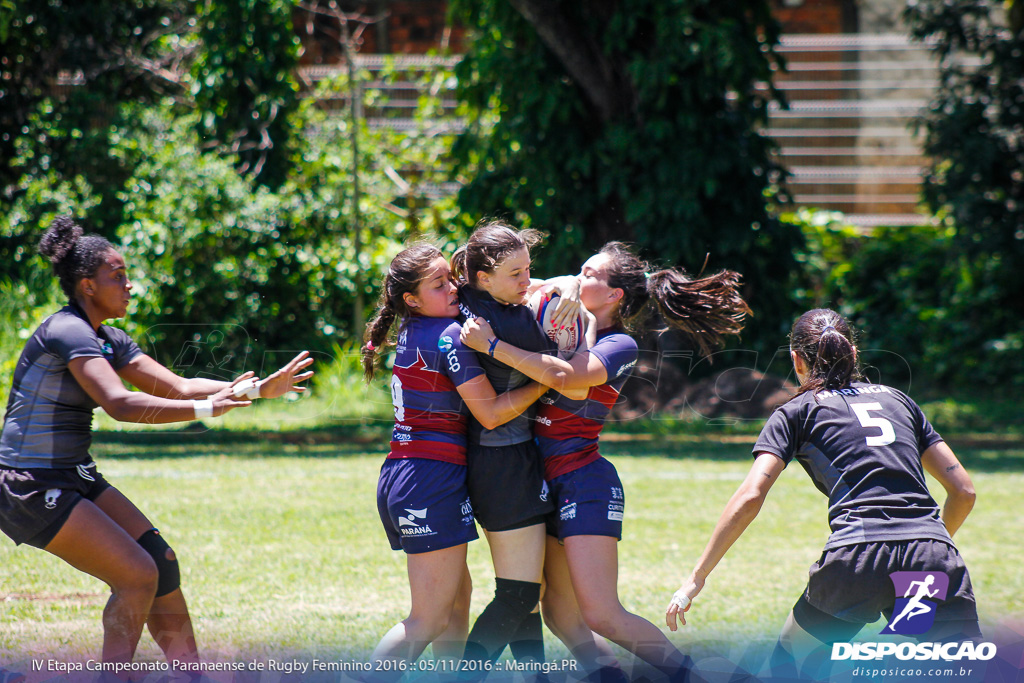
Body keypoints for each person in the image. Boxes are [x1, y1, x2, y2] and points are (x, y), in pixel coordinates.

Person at [0, 216, 314, 676]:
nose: (130, 285)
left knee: (160, 563)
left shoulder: (107, 337)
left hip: (72, 474)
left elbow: (180, 386)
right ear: (87, 285)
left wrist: (252, 390)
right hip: (29, 483)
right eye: (118, 277)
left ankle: (190, 674)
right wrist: (210, 410)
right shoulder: (68, 331)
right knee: (137, 575)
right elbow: (120, 404)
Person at [461, 241, 751, 680]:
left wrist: (494, 345)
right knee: (558, 612)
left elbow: (571, 380)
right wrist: (566, 284)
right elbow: (517, 282)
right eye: (581, 268)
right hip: (539, 479)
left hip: (583, 480)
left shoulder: (620, 344)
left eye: (592, 274)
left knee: (601, 613)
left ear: (615, 294)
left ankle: (695, 675)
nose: (581, 277)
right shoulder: (560, 315)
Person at [665, 308, 980, 679]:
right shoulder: (899, 401)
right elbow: (964, 491)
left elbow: (751, 496)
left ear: (796, 360)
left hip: (856, 559)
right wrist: (924, 543)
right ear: (854, 354)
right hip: (930, 557)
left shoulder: (796, 412)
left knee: (791, 668)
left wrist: (697, 576)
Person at [361, 244, 551, 674]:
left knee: (456, 600)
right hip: (430, 478)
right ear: (411, 298)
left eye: (451, 277)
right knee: (425, 619)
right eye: (439, 284)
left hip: (405, 472)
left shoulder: (410, 325)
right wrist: (547, 379)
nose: (454, 289)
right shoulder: (449, 336)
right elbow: (491, 412)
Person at [448, 221, 585, 672]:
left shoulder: (466, 297)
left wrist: (568, 282)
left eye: (529, 269)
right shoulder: (512, 323)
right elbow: (563, 379)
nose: (528, 282)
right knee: (520, 594)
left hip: (497, 460)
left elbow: (543, 286)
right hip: (504, 464)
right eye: (516, 274)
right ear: (483, 277)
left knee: (527, 596)